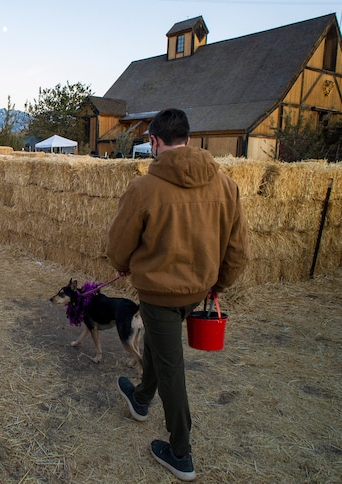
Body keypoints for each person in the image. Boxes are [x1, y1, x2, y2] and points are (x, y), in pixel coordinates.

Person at [106, 108, 249, 481]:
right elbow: (237, 248)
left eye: (150, 142)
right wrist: (218, 283)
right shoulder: (226, 184)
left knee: (171, 366)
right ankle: (140, 398)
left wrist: (122, 264)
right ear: (188, 137)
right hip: (199, 290)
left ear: (154, 141)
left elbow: (119, 245)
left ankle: (181, 453)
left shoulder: (143, 188)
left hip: (159, 293)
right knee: (159, 344)